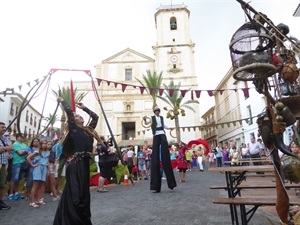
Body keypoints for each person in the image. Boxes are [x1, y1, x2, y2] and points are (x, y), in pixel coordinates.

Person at [53, 97, 99, 225]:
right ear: (73, 121)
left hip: (84, 164)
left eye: (80, 115)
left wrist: (84, 108)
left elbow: (95, 117)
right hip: (75, 164)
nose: (80, 117)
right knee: (76, 193)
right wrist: (63, 101)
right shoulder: (74, 130)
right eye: (77, 116)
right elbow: (69, 112)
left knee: (84, 195)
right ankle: (72, 220)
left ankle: (82, 219)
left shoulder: (89, 131)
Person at [146, 106, 176, 193]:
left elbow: (163, 125)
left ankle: (171, 184)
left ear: (159, 112)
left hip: (162, 133)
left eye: (158, 111)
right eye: (155, 111)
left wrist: (169, 128)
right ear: (154, 112)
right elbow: (148, 122)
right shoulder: (152, 118)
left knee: (165, 155)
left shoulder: (161, 118)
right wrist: (145, 120)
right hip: (156, 134)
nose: (157, 112)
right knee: (155, 156)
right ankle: (156, 186)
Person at [0, 122, 13, 210]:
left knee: (1, 184)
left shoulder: (4, 138)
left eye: (5, 127)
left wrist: (2, 149)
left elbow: (11, 148)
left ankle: (0, 201)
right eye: (2, 127)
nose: (4, 128)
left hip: (3, 164)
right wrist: (6, 148)